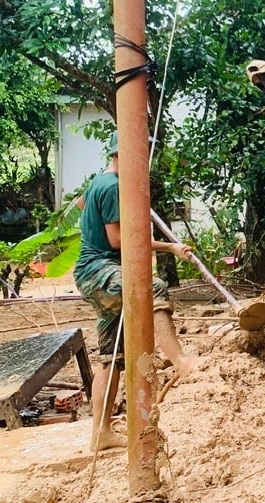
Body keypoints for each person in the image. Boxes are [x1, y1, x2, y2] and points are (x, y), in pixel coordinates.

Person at [73, 135, 196, 451]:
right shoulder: (113, 186)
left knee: (111, 359)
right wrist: (169, 246)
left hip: (95, 273)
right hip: (100, 271)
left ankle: (99, 434)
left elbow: (82, 204)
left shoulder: (100, 182)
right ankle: (180, 360)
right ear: (123, 154)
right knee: (151, 287)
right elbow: (118, 241)